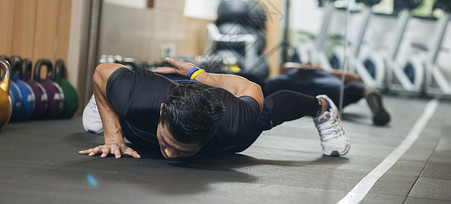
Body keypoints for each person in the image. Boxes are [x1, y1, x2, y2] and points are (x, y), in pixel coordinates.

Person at [79, 57, 350, 160]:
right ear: (162, 110)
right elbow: (101, 73)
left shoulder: (234, 120)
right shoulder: (137, 96)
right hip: (148, 105)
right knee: (97, 121)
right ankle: (104, 103)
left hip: (221, 130)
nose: (171, 155)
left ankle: (323, 108)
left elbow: (251, 88)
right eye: (167, 143)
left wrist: (202, 76)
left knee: (266, 111)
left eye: (184, 150)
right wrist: (113, 137)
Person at [263, 62, 391, 126]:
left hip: (291, 93)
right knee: (352, 88)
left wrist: (322, 69)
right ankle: (367, 91)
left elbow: (355, 77)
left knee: (264, 87)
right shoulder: (293, 71)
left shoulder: (323, 73)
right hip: (294, 88)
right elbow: (286, 66)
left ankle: (368, 93)